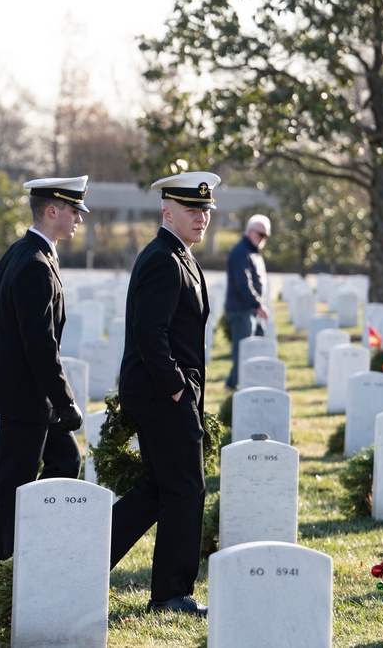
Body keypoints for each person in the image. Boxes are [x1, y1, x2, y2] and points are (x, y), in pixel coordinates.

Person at [110, 171, 220, 618]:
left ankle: (83, 559)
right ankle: (170, 594)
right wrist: (178, 390)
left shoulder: (180, 256)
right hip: (163, 394)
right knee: (186, 489)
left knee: (159, 488)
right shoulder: (162, 257)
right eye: (192, 210)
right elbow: (149, 333)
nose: (201, 218)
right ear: (167, 210)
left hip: (165, 392)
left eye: (205, 211)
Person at [0, 175, 89, 590]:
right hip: (27, 397)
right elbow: (40, 346)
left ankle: (35, 548)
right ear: (53, 210)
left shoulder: (25, 253)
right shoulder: (34, 264)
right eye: (73, 210)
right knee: (9, 485)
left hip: (30, 396)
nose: (78, 219)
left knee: (65, 463)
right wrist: (66, 401)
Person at [224, 214, 272, 390]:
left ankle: (246, 380)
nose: (263, 239)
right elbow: (243, 284)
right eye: (261, 234)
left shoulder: (251, 251)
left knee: (253, 348)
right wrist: (258, 305)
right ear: (250, 231)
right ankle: (232, 384)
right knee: (243, 349)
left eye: (266, 235)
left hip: (250, 309)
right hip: (242, 310)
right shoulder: (241, 252)